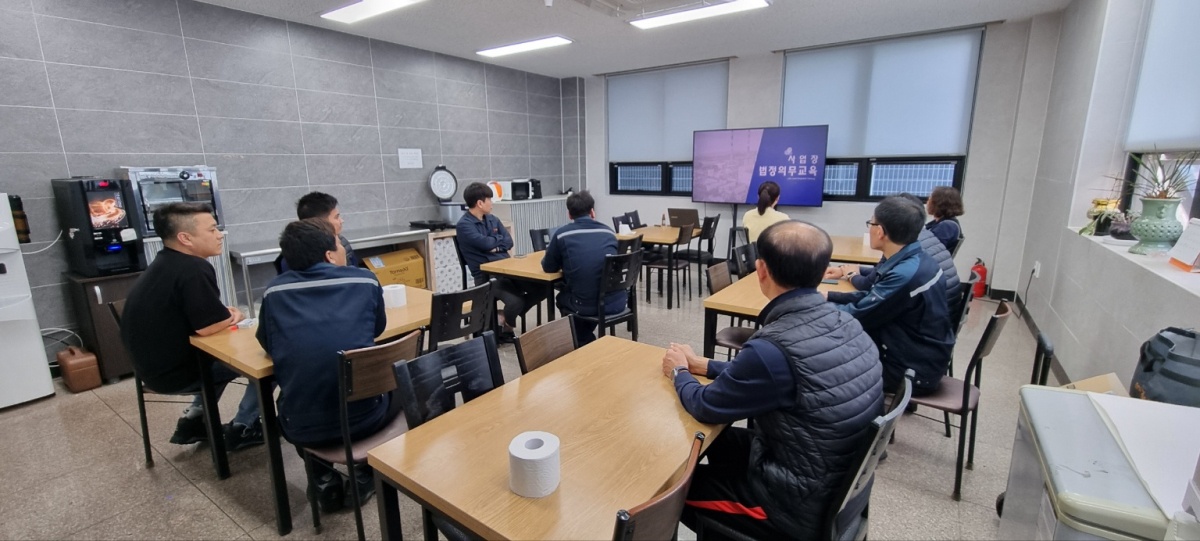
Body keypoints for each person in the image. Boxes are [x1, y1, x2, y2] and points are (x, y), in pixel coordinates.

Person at [662, 220, 882, 539]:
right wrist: (706, 365)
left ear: (761, 269)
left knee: (666, 492)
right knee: (718, 442)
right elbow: (778, 376)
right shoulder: (846, 322)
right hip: (829, 481)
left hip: (788, 508)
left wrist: (679, 371)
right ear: (823, 271)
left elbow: (706, 406)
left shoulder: (773, 346)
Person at [256, 219, 396, 512]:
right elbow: (377, 328)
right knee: (404, 380)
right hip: (367, 419)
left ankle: (322, 478)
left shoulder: (273, 292)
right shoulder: (364, 280)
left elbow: (268, 343)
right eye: (339, 244)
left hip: (300, 427)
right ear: (330, 255)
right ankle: (366, 474)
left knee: (295, 394)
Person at [121, 203, 263, 451]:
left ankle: (194, 419)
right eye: (212, 230)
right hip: (178, 374)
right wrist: (235, 315)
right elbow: (209, 326)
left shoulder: (163, 262)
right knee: (267, 363)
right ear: (185, 238)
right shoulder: (194, 268)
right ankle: (243, 427)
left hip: (149, 370)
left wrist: (223, 316)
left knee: (219, 356)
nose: (219, 235)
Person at [825, 196, 955, 396]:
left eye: (871, 223)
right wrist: (829, 296)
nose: (870, 228)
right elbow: (874, 296)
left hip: (910, 371)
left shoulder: (905, 275)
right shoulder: (916, 258)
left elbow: (857, 315)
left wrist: (813, 307)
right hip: (923, 356)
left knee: (820, 365)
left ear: (880, 231)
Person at [825, 193, 962, 314]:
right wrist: (831, 294)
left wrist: (818, 307)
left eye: (871, 223)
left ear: (880, 231)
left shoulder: (904, 272)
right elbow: (878, 289)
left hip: (910, 331)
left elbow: (860, 310)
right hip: (934, 317)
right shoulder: (915, 250)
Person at [455, 182, 543, 341]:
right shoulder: (464, 225)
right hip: (487, 277)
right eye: (489, 199)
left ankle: (504, 316)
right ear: (480, 203)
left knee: (542, 287)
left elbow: (509, 242)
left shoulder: (492, 219)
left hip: (508, 271)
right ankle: (507, 324)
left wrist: (494, 246)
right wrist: (497, 243)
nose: (492, 203)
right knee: (516, 302)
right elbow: (485, 244)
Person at [541, 190, 624, 345]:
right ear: (592, 212)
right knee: (584, 292)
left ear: (569, 215)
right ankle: (584, 338)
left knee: (562, 298)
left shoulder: (561, 235)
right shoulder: (609, 232)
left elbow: (549, 267)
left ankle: (581, 340)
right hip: (617, 302)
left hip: (587, 306)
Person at [275, 192, 359, 273]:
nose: (341, 221)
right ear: (319, 222)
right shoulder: (295, 256)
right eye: (336, 217)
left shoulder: (342, 241)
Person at [925, 186, 964, 254]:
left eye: (930, 199)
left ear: (939, 203)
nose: (927, 202)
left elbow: (930, 251)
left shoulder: (946, 226)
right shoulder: (943, 223)